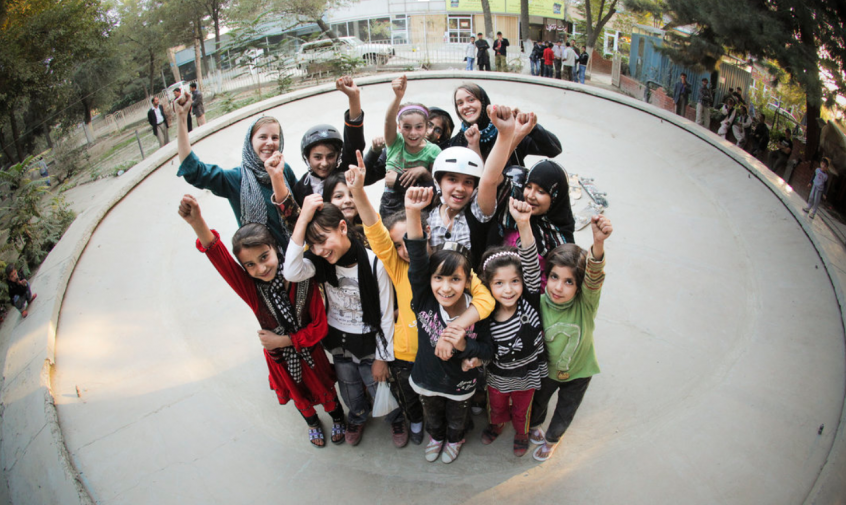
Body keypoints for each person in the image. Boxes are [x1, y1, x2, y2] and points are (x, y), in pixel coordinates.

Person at [346, 150, 495, 446]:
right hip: (405, 353)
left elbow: (485, 300)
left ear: (427, 231)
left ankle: (448, 434)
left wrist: (454, 332)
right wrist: (358, 192)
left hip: (445, 355)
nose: (405, 249)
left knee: (447, 400)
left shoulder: (449, 267)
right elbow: (374, 230)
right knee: (415, 399)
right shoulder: (398, 266)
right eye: (396, 244)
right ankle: (417, 423)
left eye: (409, 240)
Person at [178, 193, 345, 448]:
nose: (260, 269)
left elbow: (319, 326)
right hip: (282, 362)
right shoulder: (253, 291)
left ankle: (337, 418)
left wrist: (285, 340)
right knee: (300, 397)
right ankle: (312, 423)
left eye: (264, 257)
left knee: (326, 391)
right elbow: (220, 259)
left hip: (311, 351)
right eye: (250, 265)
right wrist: (197, 223)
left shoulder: (302, 277)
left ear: (275, 249)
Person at [284, 196, 403, 447]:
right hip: (339, 340)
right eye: (312, 245)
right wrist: (303, 218)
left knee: (378, 385)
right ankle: (357, 416)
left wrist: (383, 358)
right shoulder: (320, 262)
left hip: (370, 342)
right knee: (349, 388)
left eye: (323, 240)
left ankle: (395, 417)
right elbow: (291, 271)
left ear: (343, 227)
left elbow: (384, 315)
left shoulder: (374, 264)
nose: (319, 250)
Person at [403, 186, 495, 463]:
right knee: (433, 416)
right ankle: (436, 438)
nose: (445, 287)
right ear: (428, 280)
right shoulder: (423, 299)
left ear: (468, 281)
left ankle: (455, 440)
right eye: (438, 278)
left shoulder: (478, 312)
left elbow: (488, 350)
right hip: (426, 380)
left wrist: (466, 346)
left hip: (461, 385)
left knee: (458, 418)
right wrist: (412, 212)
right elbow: (418, 259)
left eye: (455, 279)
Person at [529, 213, 614, 461]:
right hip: (545, 370)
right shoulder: (539, 303)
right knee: (538, 402)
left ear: (579, 287)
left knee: (566, 409)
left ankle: (552, 438)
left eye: (569, 282)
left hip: (579, 371)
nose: (558, 287)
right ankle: (534, 426)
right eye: (554, 277)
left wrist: (598, 245)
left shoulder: (586, 304)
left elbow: (594, 277)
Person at [174, 93, 299, 251]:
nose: (269, 142)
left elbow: (299, 207)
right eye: (262, 137)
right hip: (263, 269)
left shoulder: (284, 170)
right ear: (250, 142)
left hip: (298, 258)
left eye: (275, 137)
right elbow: (194, 171)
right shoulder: (237, 179)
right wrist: (181, 117)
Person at [474, 198, 547, 457]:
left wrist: (523, 224)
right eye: (500, 284)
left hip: (527, 374)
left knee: (522, 409)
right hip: (497, 376)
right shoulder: (486, 316)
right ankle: (496, 426)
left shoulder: (529, 302)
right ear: (488, 287)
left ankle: (521, 432)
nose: (509, 290)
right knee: (496, 405)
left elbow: (529, 263)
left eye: (515, 281)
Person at [434, 104, 516, 268]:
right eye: (452, 179)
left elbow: (489, 178)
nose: (460, 188)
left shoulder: (476, 213)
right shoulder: (427, 214)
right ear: (438, 181)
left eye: (468, 182)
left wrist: (505, 134)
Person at [293, 76, 367, 205]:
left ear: (338, 155)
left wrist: (354, 97)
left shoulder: (345, 172)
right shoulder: (301, 188)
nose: (324, 163)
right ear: (307, 158)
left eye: (330, 156)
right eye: (317, 157)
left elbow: (354, 141)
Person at [450, 83, 562, 166]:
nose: (465, 106)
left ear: (483, 102)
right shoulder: (457, 142)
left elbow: (554, 149)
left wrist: (530, 126)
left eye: (471, 100)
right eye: (460, 103)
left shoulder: (508, 131)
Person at [380, 75, 442, 217]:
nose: (413, 133)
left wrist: (423, 172)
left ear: (427, 127)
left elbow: (437, 184)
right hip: (392, 203)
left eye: (419, 127)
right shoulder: (395, 142)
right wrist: (397, 98)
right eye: (407, 127)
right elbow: (387, 121)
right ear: (399, 127)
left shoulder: (433, 151)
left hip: (419, 201)